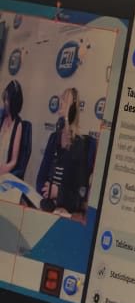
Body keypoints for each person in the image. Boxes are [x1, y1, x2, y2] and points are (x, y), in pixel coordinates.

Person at [36, 87, 94, 215]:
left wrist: (58, 193)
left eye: (64, 100)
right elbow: (40, 178)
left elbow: (80, 195)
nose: (60, 102)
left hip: (65, 210)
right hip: (46, 204)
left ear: (72, 109)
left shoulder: (81, 145)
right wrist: (47, 193)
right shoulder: (53, 138)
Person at [0, 81, 31, 182]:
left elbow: (14, 161)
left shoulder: (18, 125)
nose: (5, 103)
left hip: (4, 172)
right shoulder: (1, 117)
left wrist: (2, 170)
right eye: (5, 98)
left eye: (8, 100)